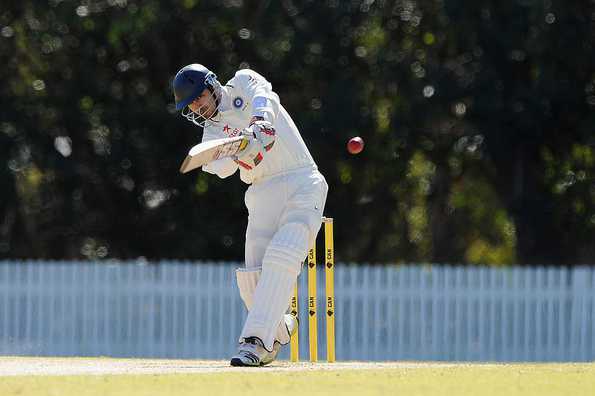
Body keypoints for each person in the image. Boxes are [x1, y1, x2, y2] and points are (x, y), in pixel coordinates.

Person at [171, 64, 328, 366]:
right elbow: (220, 167)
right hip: (260, 192)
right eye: (190, 105)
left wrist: (261, 124)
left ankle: (254, 343)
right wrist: (238, 147)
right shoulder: (211, 134)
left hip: (301, 181)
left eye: (197, 98)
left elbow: (265, 94)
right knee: (252, 278)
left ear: (212, 85)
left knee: (282, 255)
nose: (196, 107)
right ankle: (279, 329)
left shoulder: (242, 83)